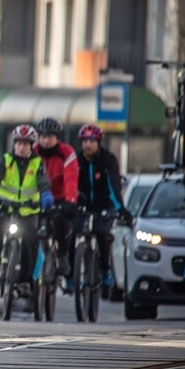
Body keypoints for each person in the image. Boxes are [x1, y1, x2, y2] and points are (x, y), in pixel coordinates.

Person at [0, 124, 53, 298]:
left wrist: (46, 195)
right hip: (5, 207)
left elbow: (43, 182)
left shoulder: (37, 164)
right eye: (18, 143)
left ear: (31, 145)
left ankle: (25, 281)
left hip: (28, 211)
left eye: (26, 144)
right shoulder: (6, 160)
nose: (21, 147)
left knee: (30, 243)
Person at [76, 123, 127, 289]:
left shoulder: (108, 159)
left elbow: (114, 185)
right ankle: (74, 273)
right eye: (84, 141)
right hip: (82, 204)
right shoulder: (77, 160)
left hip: (104, 204)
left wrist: (119, 208)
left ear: (98, 142)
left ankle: (106, 270)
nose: (87, 145)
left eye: (91, 141)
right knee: (71, 232)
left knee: (103, 234)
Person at [33, 117, 79, 283]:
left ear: (57, 138)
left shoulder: (66, 153)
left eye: (49, 137)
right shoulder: (33, 152)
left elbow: (71, 178)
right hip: (37, 199)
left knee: (61, 221)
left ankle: (62, 255)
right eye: (42, 136)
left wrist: (70, 200)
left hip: (60, 198)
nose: (45, 140)